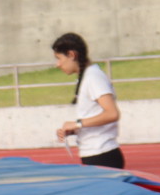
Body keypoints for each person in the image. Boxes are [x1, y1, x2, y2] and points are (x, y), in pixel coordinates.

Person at [52, 32, 124, 168]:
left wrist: (77, 124)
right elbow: (93, 115)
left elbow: (112, 114)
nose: (57, 64)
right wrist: (74, 130)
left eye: (59, 58)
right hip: (95, 155)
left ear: (72, 55)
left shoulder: (94, 77)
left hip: (103, 155)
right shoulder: (87, 77)